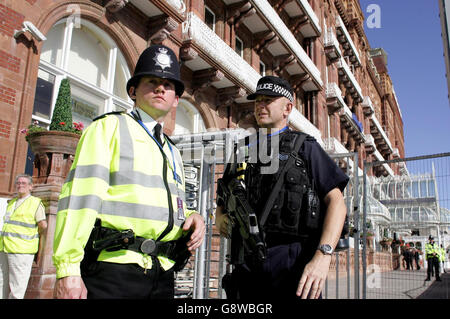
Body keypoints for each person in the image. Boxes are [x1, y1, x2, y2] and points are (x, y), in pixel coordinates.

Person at [53, 44, 206, 299]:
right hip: (115, 271)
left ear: (176, 99)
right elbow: (79, 200)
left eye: (168, 85)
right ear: (133, 91)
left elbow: (169, 203)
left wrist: (193, 216)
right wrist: (68, 269)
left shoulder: (172, 150)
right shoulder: (108, 128)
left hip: (163, 274)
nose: (160, 88)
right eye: (152, 81)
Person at [215, 75, 349, 299]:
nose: (260, 105)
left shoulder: (305, 147)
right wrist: (219, 215)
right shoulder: (243, 149)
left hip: (292, 263)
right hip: (247, 262)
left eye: (268, 100)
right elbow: (224, 193)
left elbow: (337, 202)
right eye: (258, 100)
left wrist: (323, 255)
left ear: (287, 108)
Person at [0, 174, 47, 299]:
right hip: (5, 248)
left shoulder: (35, 203)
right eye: (18, 183)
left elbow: (43, 225)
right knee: (2, 283)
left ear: (31, 187)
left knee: (17, 287)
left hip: (21, 251)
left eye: (23, 183)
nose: (20, 185)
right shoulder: (12, 203)